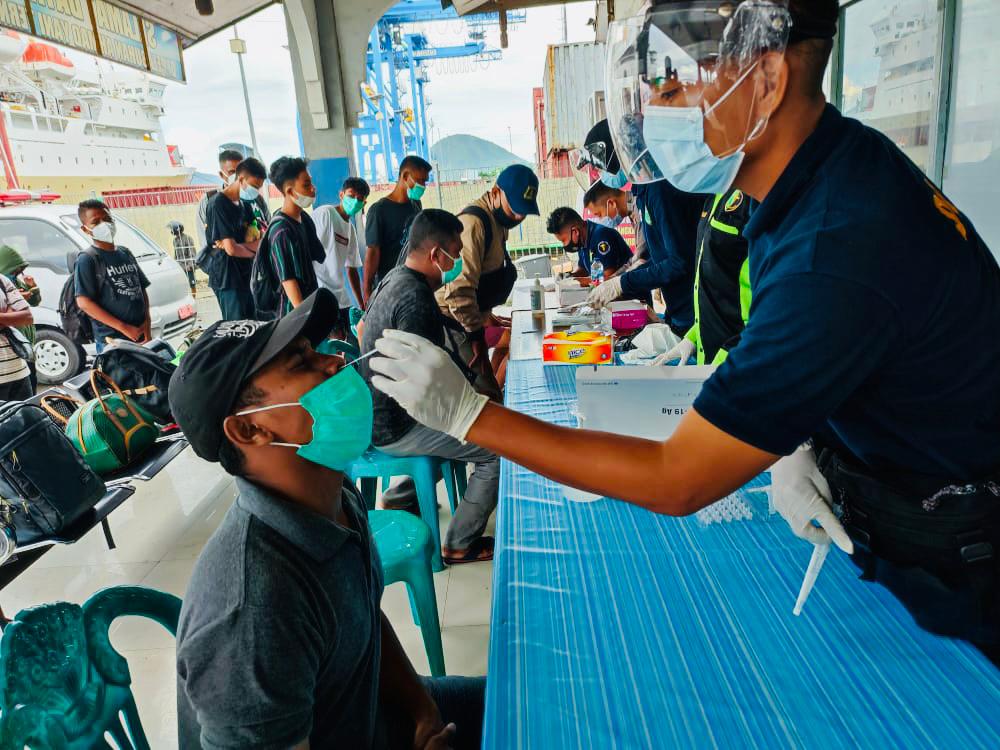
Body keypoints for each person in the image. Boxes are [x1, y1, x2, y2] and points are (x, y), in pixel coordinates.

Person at [368, 0, 1000, 662]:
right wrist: (808, 435)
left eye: (672, 86)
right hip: (904, 499)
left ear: (766, 79)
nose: (655, 112)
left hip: (953, 557)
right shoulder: (829, 178)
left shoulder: (837, 244)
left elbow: (678, 478)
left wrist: (472, 417)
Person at [168, 289, 486, 748]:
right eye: (300, 363)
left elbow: (362, 616)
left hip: (376, 713)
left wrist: (421, 711)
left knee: (541, 700)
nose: (334, 364)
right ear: (249, 428)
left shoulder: (332, 491)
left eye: (314, 351)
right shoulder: (253, 611)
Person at [360, 210, 500, 564]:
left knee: (481, 416)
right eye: (455, 253)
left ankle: (403, 492)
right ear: (436, 255)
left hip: (377, 412)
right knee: (498, 451)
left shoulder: (396, 278)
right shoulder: (415, 299)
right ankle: (459, 542)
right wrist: (475, 408)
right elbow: (426, 393)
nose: (457, 263)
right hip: (398, 424)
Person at [435, 164, 538, 398]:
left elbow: (483, 280)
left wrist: (488, 317)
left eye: (524, 211)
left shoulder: (498, 222)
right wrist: (477, 337)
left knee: (492, 384)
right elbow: (459, 292)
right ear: (495, 193)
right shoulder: (473, 224)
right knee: (485, 400)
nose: (519, 217)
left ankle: (499, 394)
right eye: (514, 210)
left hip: (470, 321)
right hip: (454, 323)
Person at [653, 187, 755, 366]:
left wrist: (729, 358)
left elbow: (769, 303)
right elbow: (716, 286)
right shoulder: (713, 198)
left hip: (741, 361)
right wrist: (693, 337)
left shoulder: (754, 199)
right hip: (709, 359)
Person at [74, 199, 150, 353]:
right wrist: (124, 328)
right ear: (86, 229)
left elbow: (141, 289)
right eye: (96, 222)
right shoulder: (87, 259)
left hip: (140, 333)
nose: (105, 225)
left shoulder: (125, 253)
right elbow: (84, 302)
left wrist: (147, 324)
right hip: (113, 340)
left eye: (107, 219)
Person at [202, 157, 266, 321]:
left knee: (253, 325)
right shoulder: (218, 204)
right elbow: (231, 250)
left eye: (259, 187)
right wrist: (252, 250)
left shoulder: (244, 205)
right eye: (254, 186)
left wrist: (241, 247)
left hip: (245, 275)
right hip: (227, 280)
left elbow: (259, 239)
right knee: (237, 329)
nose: (256, 191)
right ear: (241, 179)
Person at [260, 156, 325, 317]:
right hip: (293, 315)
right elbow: (288, 281)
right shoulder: (281, 231)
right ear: (289, 191)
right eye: (306, 185)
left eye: (311, 183)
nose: (313, 189)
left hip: (309, 302)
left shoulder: (303, 219)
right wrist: (304, 317)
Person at [363, 155, 431, 306]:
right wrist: (367, 291)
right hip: (388, 286)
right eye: (420, 181)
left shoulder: (416, 205)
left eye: (425, 181)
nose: (423, 186)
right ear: (405, 176)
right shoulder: (378, 211)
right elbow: (372, 252)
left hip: (411, 282)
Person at [314, 176, 369, 340]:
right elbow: (310, 251)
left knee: (347, 339)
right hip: (321, 292)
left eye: (359, 199)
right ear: (341, 194)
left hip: (340, 297)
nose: (354, 201)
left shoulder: (350, 229)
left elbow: (351, 268)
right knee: (334, 342)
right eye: (351, 196)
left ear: (364, 204)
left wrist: (361, 303)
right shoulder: (326, 214)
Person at [196, 149, 271, 252]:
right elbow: (207, 241)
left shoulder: (256, 198)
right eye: (232, 172)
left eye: (240, 170)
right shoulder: (210, 201)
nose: (237, 176)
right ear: (222, 175)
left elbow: (267, 228)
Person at [545, 206, 632, 280]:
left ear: (575, 231)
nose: (564, 245)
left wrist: (577, 281)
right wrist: (569, 277)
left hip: (627, 292)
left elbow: (607, 278)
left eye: (563, 240)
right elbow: (584, 270)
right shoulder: (583, 240)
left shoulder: (601, 236)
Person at [0, 245, 41, 391]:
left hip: (20, 355)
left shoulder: (4, 282)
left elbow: (27, 316)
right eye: (15, 271)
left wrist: (33, 287)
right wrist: (11, 312)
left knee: (30, 407)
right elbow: (19, 314)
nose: (17, 274)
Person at [0, 271, 33, 401]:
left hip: (18, 371)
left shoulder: (1, 279)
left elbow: (27, 317)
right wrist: (8, 313)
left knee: (30, 419)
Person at [168, 221, 198, 294]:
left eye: (172, 229)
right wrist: (175, 264)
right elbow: (176, 253)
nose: (171, 231)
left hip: (188, 265)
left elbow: (192, 253)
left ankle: (193, 298)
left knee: (192, 284)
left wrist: (190, 265)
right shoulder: (175, 240)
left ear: (177, 229)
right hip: (180, 265)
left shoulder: (188, 238)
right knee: (183, 284)